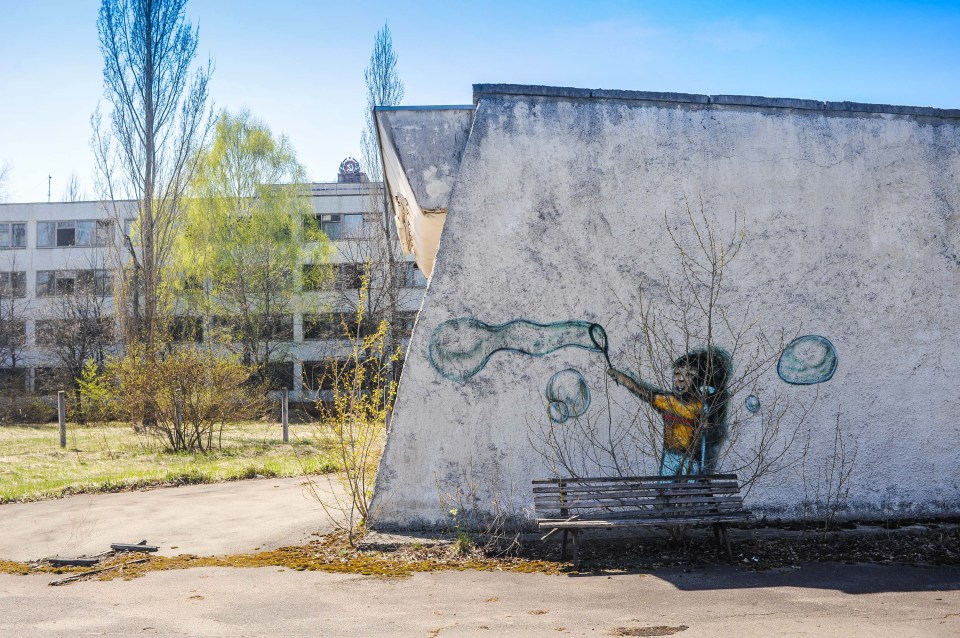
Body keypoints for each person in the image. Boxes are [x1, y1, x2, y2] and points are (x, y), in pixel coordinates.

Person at [607, 348, 730, 476]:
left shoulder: (699, 406)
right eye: (677, 373)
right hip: (670, 456)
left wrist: (706, 422)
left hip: (691, 459)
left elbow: (710, 430)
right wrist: (621, 378)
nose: (681, 379)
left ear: (698, 380)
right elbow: (639, 390)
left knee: (690, 489)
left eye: (689, 375)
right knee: (665, 489)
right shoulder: (667, 401)